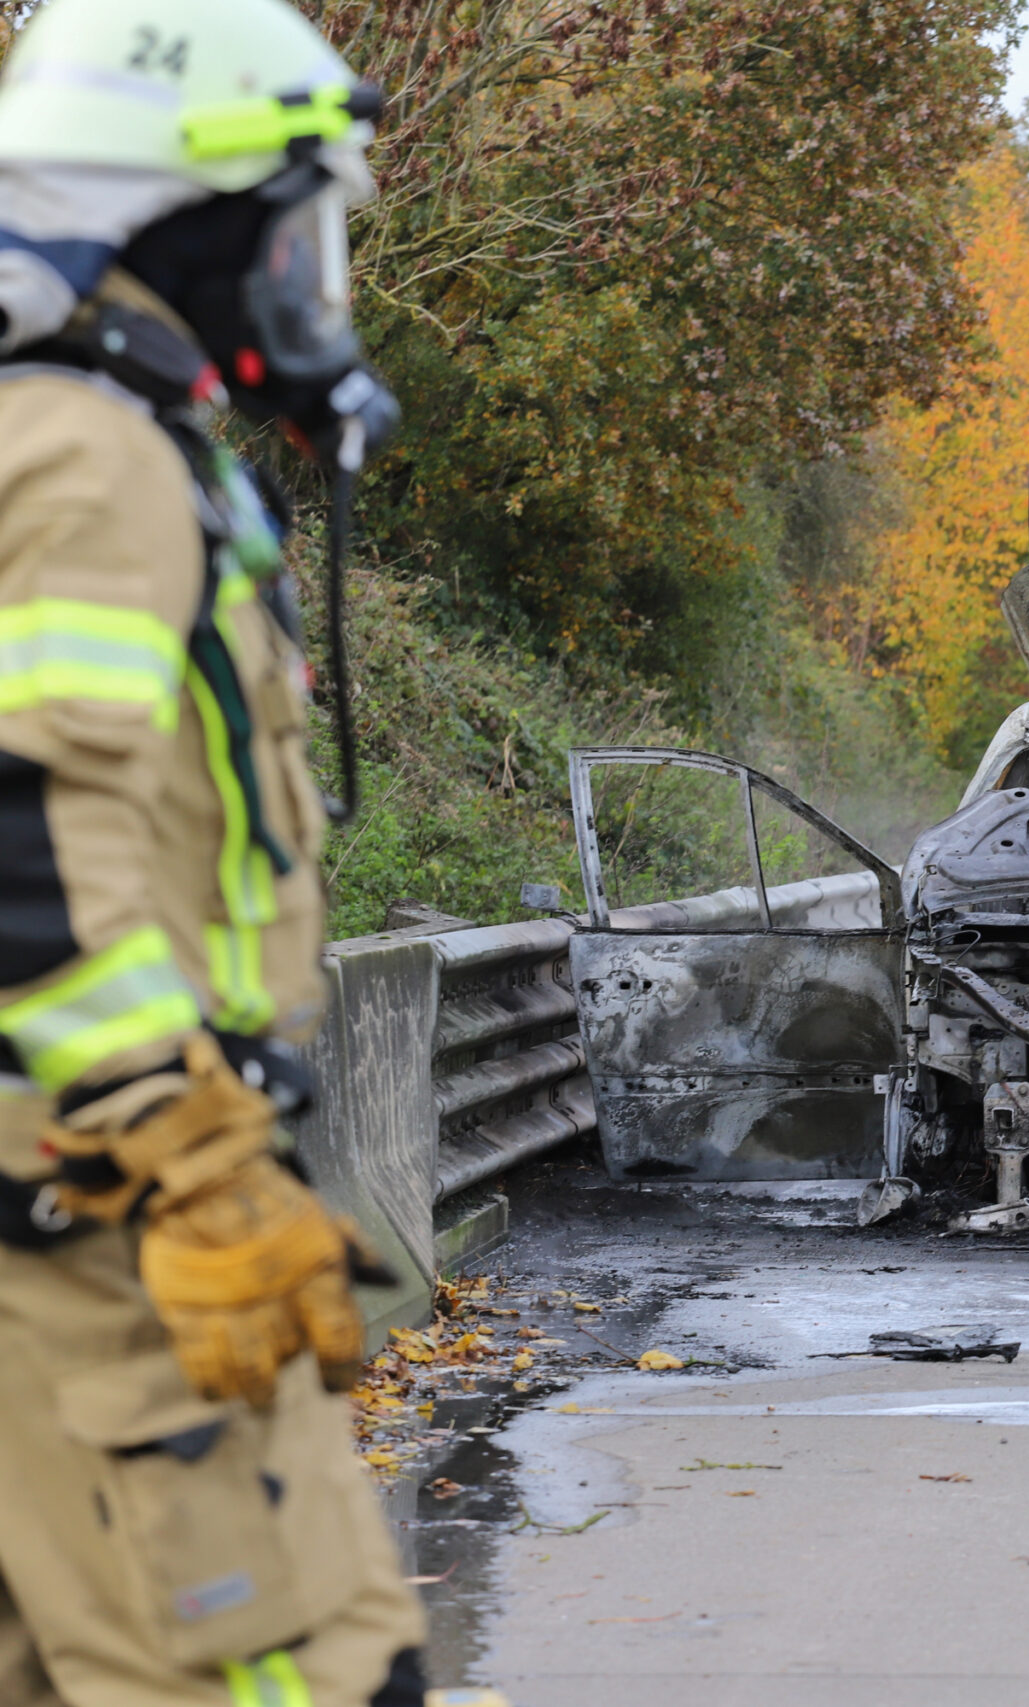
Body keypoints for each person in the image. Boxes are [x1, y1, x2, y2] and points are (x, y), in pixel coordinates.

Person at [0, 2, 452, 1704]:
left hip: (77, 1213)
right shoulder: (87, 461)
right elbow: (24, 842)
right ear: (168, 216)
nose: (301, 276)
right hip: (114, 1232)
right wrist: (186, 1159)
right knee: (304, 1671)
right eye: (288, 223)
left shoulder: (79, 443)